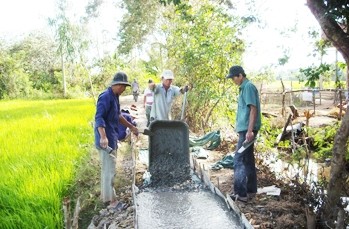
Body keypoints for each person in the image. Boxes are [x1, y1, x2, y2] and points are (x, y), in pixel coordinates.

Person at [94, 71, 139, 205]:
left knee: (110, 168)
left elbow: (118, 115)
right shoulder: (106, 97)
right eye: (123, 86)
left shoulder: (115, 96)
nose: (124, 89)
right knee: (109, 170)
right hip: (105, 140)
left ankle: (107, 197)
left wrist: (131, 127)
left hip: (111, 137)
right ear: (117, 85)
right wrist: (103, 137)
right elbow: (99, 117)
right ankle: (111, 201)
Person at [226, 65, 261, 203]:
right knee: (247, 159)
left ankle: (241, 194)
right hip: (246, 130)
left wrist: (250, 131)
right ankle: (251, 190)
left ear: (240, 75)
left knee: (238, 159)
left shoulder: (248, 87)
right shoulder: (244, 88)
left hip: (248, 131)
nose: (233, 80)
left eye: (234, 78)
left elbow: (253, 109)